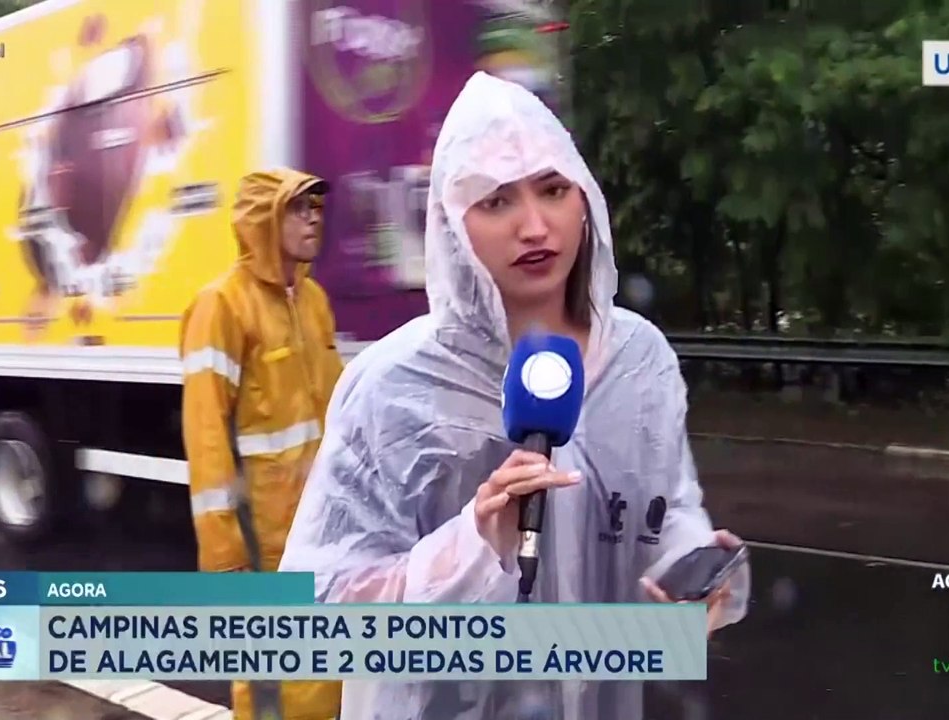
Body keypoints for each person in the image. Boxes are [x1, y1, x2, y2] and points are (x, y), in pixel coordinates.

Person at [278, 73, 750, 719]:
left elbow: (665, 509)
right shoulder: (392, 386)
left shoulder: (641, 360)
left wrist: (690, 568)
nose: (535, 226)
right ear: (450, 222)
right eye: (497, 201)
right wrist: (474, 545)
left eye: (554, 190)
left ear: (584, 199)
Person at [180, 169, 343, 720]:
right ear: (264, 220)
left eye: (317, 206)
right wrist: (224, 558)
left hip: (321, 529)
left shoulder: (314, 300)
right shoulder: (221, 306)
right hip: (260, 541)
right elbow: (206, 439)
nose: (314, 216)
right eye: (299, 208)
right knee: (270, 684)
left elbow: (336, 411)